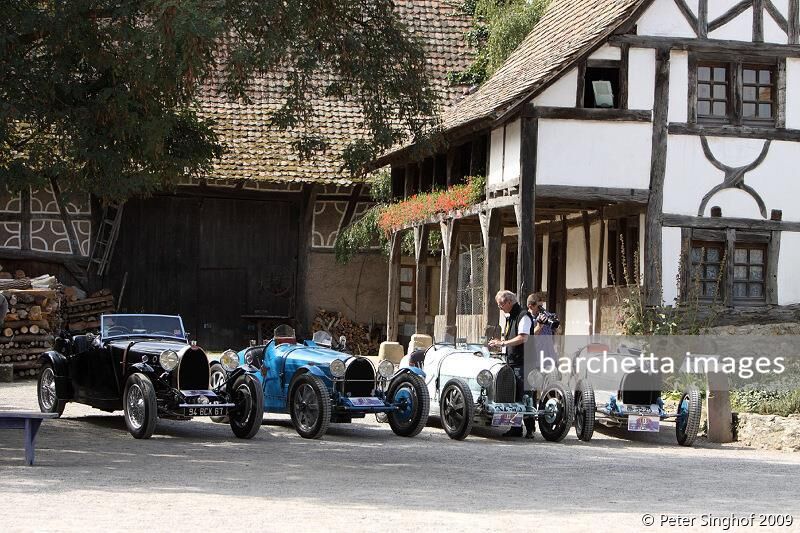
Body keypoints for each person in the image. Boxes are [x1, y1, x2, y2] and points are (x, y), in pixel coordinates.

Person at [488, 290, 534, 438]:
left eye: (501, 304)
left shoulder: (523, 316)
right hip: (513, 360)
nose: (500, 307)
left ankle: (530, 429)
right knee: (512, 395)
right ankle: (516, 428)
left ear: (509, 302)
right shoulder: (511, 317)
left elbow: (523, 338)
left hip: (524, 361)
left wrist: (502, 343)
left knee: (525, 395)